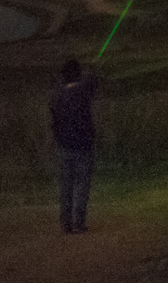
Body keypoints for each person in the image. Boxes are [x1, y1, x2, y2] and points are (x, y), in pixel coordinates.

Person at [49, 58, 99, 233]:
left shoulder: (57, 95)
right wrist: (88, 70)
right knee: (82, 185)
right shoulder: (83, 89)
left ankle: (66, 223)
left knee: (66, 184)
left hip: (64, 144)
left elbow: (54, 116)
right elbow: (92, 80)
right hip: (83, 144)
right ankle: (78, 222)